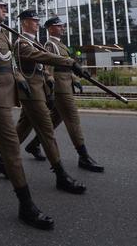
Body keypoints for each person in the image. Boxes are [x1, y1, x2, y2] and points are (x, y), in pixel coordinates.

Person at [0, 0, 90, 230]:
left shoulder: (3, 34)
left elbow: (10, 63)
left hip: (6, 94)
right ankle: (26, 205)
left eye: (5, 6)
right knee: (11, 146)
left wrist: (19, 78)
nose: (4, 8)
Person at [0, 10, 86, 197]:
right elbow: (43, 58)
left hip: (38, 91)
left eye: (37, 21)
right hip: (31, 93)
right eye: (33, 21)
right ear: (25, 23)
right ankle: (61, 175)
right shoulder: (21, 44)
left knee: (23, 129)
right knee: (47, 131)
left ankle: (2, 163)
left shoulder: (34, 42)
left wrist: (50, 81)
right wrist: (69, 62)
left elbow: (43, 67)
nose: (37, 24)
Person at [23, 17, 104, 173]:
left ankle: (33, 145)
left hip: (66, 84)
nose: (62, 28)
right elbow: (49, 67)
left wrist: (74, 79)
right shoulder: (50, 44)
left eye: (62, 26)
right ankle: (83, 156)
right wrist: (51, 88)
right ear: (50, 28)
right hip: (59, 88)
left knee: (55, 119)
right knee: (72, 119)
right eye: (58, 26)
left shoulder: (60, 44)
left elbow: (65, 65)